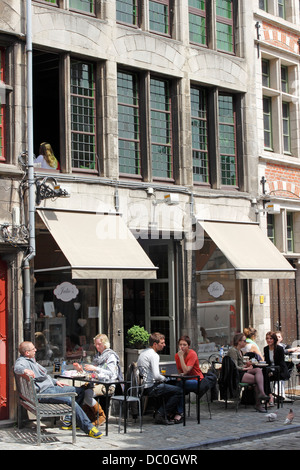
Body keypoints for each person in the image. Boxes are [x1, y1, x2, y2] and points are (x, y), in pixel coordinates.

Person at [14, 341, 103, 439]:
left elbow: (42, 377)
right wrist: (25, 370)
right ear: (27, 353)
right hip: (44, 393)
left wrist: (55, 381)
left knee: (80, 391)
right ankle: (88, 428)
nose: (35, 350)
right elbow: (17, 368)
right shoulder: (22, 361)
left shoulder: (31, 360)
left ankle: (69, 421)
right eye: (33, 349)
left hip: (50, 387)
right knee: (70, 400)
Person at [73, 334, 123, 426]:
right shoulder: (98, 356)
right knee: (79, 392)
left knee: (87, 394)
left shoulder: (110, 356)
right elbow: (92, 372)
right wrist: (81, 370)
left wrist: (96, 369)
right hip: (97, 383)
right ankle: (87, 418)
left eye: (99, 344)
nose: (97, 346)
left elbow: (111, 373)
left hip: (108, 384)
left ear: (105, 344)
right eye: (95, 344)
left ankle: (101, 416)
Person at [137, 332, 182, 425]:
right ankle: (161, 414)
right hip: (151, 387)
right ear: (155, 344)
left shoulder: (143, 353)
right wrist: (165, 379)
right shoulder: (154, 355)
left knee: (169, 388)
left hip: (143, 387)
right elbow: (156, 376)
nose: (164, 345)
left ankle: (166, 413)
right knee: (178, 391)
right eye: (162, 343)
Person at [175, 335, 217, 418]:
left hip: (197, 381)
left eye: (184, 345)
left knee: (179, 386)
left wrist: (181, 357)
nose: (182, 347)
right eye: (180, 345)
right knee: (174, 385)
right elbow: (181, 372)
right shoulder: (177, 356)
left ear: (188, 346)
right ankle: (173, 411)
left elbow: (186, 370)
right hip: (186, 380)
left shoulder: (192, 354)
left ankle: (179, 412)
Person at [227, 333, 269, 413]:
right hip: (236, 375)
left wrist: (246, 365)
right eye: (244, 340)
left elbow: (240, 365)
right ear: (239, 342)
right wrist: (246, 367)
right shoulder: (233, 351)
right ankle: (259, 403)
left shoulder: (240, 351)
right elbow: (235, 367)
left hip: (241, 372)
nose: (245, 342)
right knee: (257, 381)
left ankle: (262, 394)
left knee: (258, 370)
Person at [264, 331, 290, 405]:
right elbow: (267, 362)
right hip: (270, 370)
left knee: (266, 377)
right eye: (267, 338)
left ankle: (270, 397)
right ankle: (270, 396)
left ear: (274, 340)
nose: (269, 340)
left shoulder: (279, 349)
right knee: (263, 375)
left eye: (271, 338)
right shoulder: (266, 349)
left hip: (279, 371)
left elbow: (281, 364)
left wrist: (272, 372)